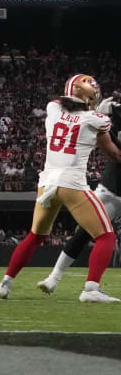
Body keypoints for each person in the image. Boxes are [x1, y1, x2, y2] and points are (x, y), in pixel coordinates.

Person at [0, 75, 121, 303]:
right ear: (89, 95)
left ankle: (5, 283)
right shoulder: (96, 119)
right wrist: (105, 118)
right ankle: (91, 289)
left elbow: (65, 107)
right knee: (106, 236)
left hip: (47, 182)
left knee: (35, 236)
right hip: (72, 184)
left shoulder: (52, 108)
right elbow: (113, 154)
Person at [39, 95, 121, 295]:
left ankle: (65, 281)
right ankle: (54, 278)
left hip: (111, 186)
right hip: (113, 187)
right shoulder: (115, 113)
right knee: (84, 233)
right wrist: (100, 116)